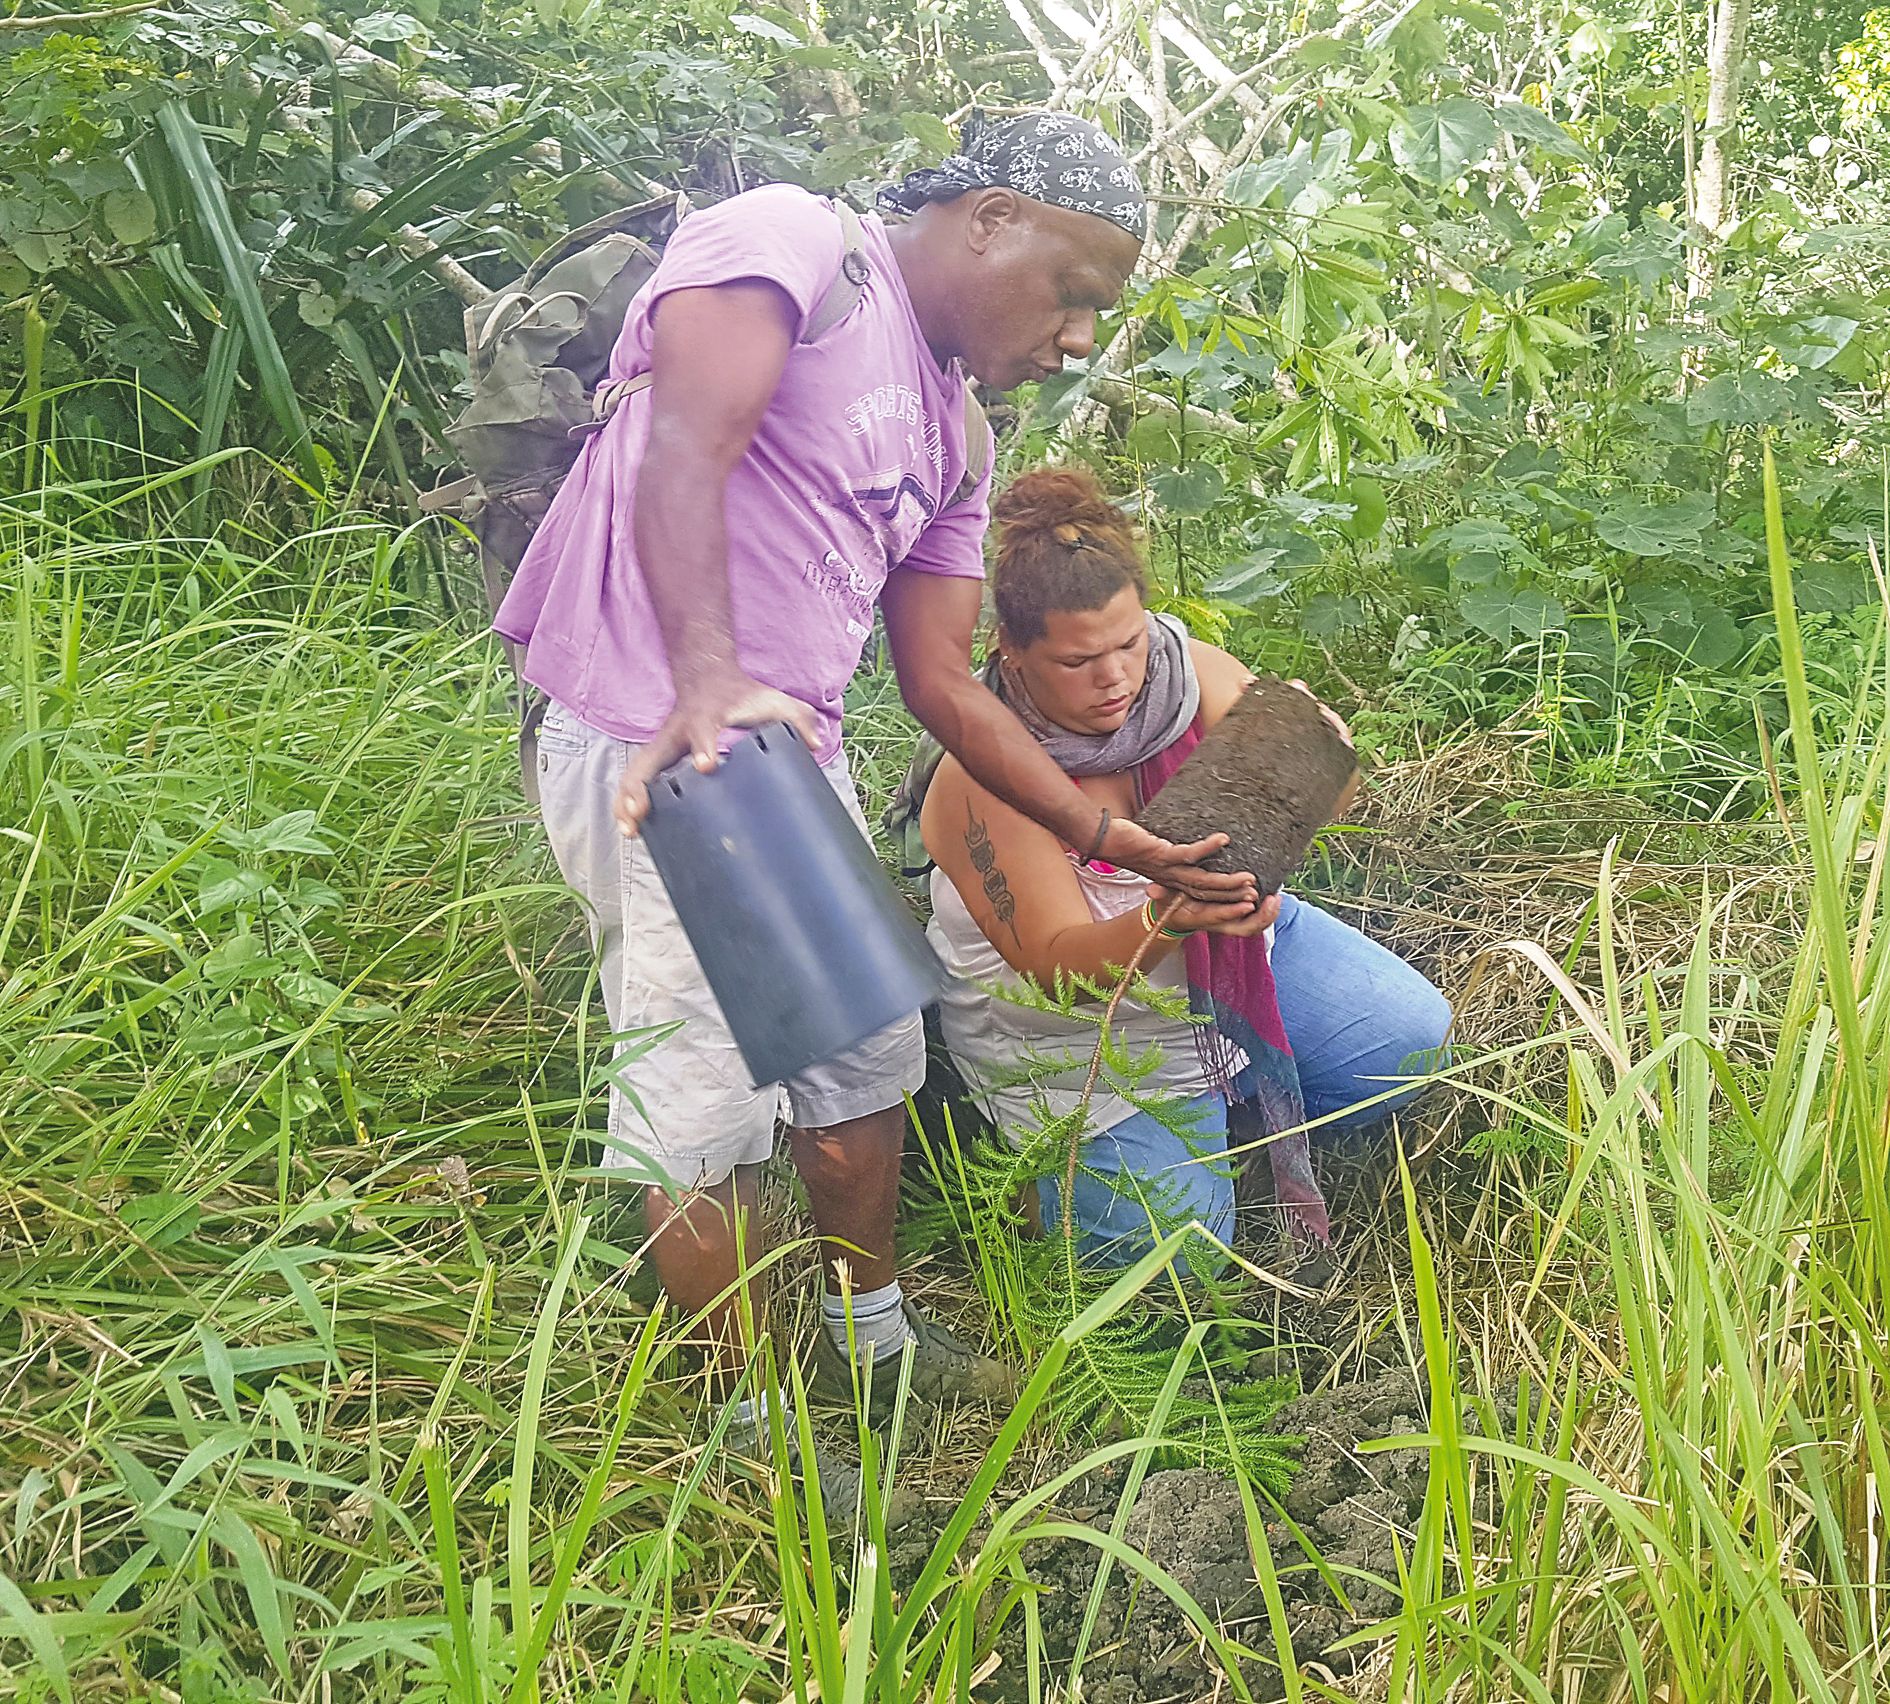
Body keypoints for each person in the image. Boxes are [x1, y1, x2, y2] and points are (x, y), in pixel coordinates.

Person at [491, 114, 1261, 1501]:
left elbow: (944, 688)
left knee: (863, 1067)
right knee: (708, 1103)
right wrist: (711, 686)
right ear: (986, 218)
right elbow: (684, 444)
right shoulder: (797, 244)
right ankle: (757, 1437)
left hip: (789, 753)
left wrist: (1107, 836)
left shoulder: (956, 433)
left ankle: (873, 1339)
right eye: (1073, 290)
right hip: (661, 733)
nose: (1079, 336)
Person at [915, 469, 1453, 1271]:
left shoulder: (1187, 671)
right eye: (1077, 660)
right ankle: (1025, 1173)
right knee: (1177, 1268)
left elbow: (1311, 807)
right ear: (1012, 651)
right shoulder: (980, 777)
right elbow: (1064, 975)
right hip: (1081, 1033)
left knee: (1410, 1046)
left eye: (1129, 643)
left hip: (1227, 951)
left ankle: (1230, 1109)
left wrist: (1319, 755)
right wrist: (1168, 919)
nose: (1117, 678)